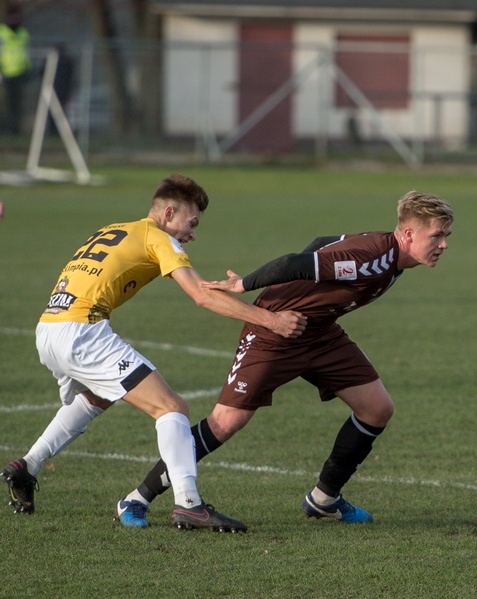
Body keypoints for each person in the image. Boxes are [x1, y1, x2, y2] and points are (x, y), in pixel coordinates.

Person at [114, 190, 453, 527]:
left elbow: (323, 241)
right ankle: (137, 498)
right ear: (408, 234)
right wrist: (243, 286)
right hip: (274, 331)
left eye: (445, 236)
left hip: (319, 332)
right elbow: (294, 263)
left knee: (377, 408)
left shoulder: (392, 256)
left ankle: (324, 499)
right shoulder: (372, 258)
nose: (443, 244)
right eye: (436, 235)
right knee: (225, 422)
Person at [1, 174, 306, 533]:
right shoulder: (158, 237)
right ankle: (189, 504)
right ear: (169, 212)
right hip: (82, 331)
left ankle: (28, 466)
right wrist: (270, 320)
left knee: (98, 397)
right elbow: (201, 296)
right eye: (191, 223)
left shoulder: (116, 228)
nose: (192, 233)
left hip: (49, 327)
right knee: (172, 408)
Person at [0, 1, 31, 136]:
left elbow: (27, 52)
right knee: (4, 105)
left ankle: (14, 132)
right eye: (13, 16)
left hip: (21, 74)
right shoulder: (2, 32)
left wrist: (28, 70)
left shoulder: (23, 33)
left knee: (17, 106)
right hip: (4, 74)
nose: (16, 19)